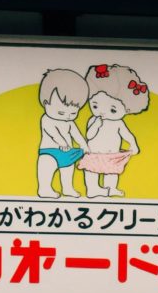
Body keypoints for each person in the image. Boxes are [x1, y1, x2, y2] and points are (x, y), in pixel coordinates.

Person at [78, 63, 150, 197]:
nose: (102, 111)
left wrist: (133, 145)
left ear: (127, 109)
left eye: (112, 109)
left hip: (112, 154)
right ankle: (92, 189)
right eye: (95, 105)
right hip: (95, 153)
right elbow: (89, 135)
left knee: (112, 172)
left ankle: (111, 188)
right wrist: (96, 124)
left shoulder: (118, 123)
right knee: (91, 172)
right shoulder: (94, 119)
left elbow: (127, 135)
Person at [37, 69, 89, 199]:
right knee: (46, 169)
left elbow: (76, 134)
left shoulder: (69, 122)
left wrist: (84, 145)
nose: (67, 117)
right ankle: (44, 189)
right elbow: (53, 132)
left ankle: (68, 188)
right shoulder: (46, 119)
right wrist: (62, 143)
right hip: (49, 151)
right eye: (61, 113)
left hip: (67, 151)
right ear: (46, 104)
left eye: (73, 113)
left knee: (68, 170)